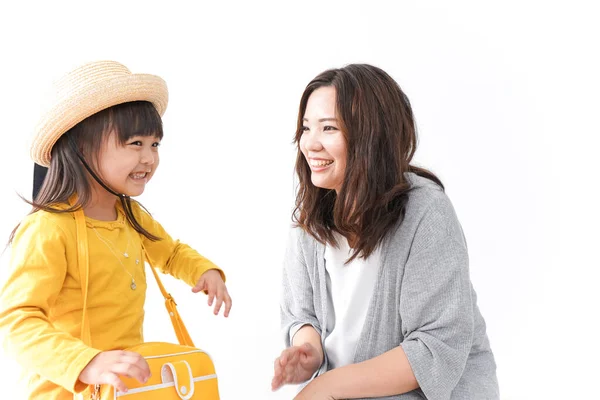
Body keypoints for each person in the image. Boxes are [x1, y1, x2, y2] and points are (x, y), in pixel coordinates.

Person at [0, 60, 232, 399]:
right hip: (68, 392)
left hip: (125, 391)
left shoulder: (130, 216)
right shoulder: (48, 229)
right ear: (81, 148)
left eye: (155, 145)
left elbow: (169, 251)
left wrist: (204, 269)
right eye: (135, 143)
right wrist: (86, 362)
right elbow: (15, 321)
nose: (149, 158)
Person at [272, 64, 499, 399]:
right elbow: (300, 313)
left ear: (371, 137)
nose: (311, 144)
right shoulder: (310, 221)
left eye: (329, 128)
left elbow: (435, 346)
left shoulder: (426, 214)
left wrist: (327, 386)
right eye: (306, 128)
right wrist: (309, 351)